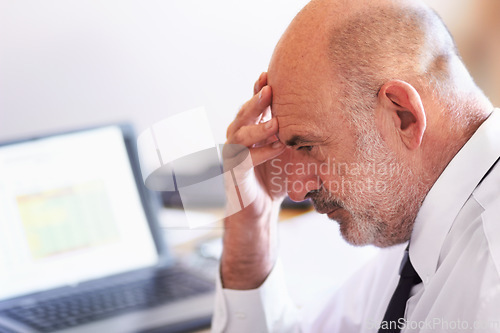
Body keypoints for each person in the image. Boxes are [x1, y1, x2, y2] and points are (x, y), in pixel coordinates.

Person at [212, 0, 500, 331]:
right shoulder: (416, 214)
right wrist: (252, 228)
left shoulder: (490, 282)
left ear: (402, 116)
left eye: (308, 146)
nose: (295, 188)